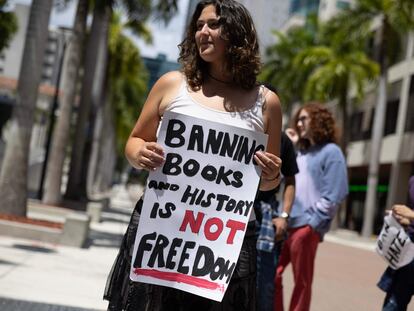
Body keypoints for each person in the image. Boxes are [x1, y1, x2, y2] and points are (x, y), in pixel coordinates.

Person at [103, 1, 282, 310]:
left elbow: (266, 184)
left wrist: (270, 175)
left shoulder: (266, 103)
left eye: (213, 25)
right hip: (162, 231)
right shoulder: (172, 85)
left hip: (226, 244)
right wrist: (140, 153)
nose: (203, 32)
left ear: (237, 33)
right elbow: (134, 141)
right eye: (199, 25)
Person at [275, 102, 348, 311]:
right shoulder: (302, 153)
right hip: (285, 224)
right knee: (273, 274)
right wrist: (292, 145)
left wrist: (313, 224)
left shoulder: (331, 152)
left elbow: (335, 193)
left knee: (302, 282)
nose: (298, 123)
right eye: (298, 119)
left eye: (304, 118)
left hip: (306, 227)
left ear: (318, 120)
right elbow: (282, 180)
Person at [255, 130, 298, 311]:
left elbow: (290, 180)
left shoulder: (281, 139)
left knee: (264, 285)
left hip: (264, 219)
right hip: (230, 214)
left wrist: (284, 216)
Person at [377, 175, 414, 311]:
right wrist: (404, 220)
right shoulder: (412, 180)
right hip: (409, 253)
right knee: (392, 306)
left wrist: (411, 215)